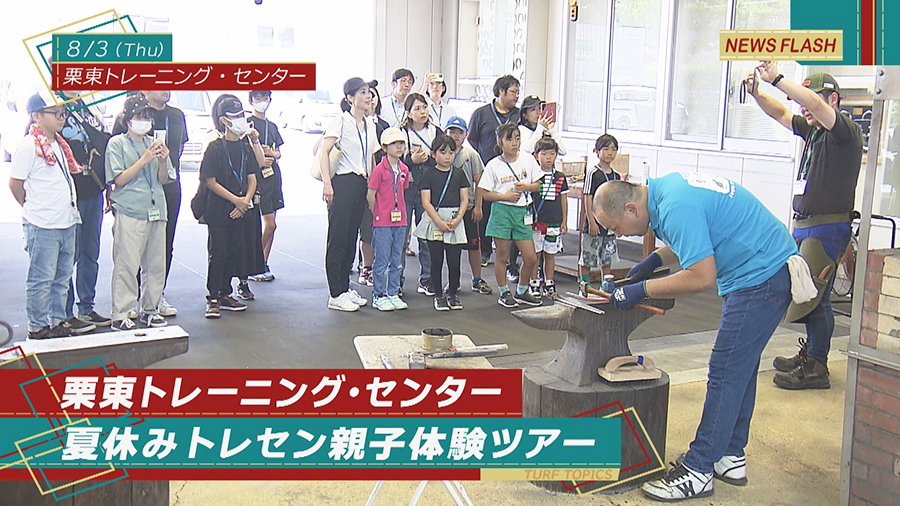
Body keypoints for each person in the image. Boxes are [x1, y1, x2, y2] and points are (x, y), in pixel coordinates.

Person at [592, 174, 805, 502]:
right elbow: (695, 236)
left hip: (761, 276)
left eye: (616, 227)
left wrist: (641, 289)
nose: (618, 234)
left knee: (725, 371)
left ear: (631, 208)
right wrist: (654, 260)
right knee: (740, 369)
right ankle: (730, 455)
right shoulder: (665, 192)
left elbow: (701, 277)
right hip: (765, 267)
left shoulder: (675, 206)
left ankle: (698, 470)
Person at [746, 63, 864, 390]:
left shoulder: (844, 132)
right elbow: (780, 113)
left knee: (816, 296)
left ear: (833, 100)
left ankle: (816, 366)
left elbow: (811, 104)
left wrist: (777, 79)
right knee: (807, 291)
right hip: (806, 225)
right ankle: (811, 355)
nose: (804, 107)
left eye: (812, 100)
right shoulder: (814, 132)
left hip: (827, 227)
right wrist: (757, 94)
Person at [9, 91, 82, 339]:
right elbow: (15, 184)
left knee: (62, 278)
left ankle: (57, 320)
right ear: (36, 116)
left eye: (63, 112)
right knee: (41, 279)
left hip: (66, 221)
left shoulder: (59, 144)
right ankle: (37, 326)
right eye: (55, 113)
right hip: (42, 224)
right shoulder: (29, 145)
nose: (61, 117)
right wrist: (32, 207)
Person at [105, 95, 174, 330]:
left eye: (147, 117)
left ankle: (150, 309)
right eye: (139, 117)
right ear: (127, 119)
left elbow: (163, 179)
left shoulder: (155, 143)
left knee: (156, 264)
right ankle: (121, 313)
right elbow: (119, 179)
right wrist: (144, 160)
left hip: (156, 209)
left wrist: (163, 160)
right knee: (127, 263)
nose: (144, 121)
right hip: (130, 210)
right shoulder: (117, 144)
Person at [199, 95, 266, 318]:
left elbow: (253, 177)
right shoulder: (215, 147)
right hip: (219, 209)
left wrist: (245, 201)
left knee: (233, 251)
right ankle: (213, 297)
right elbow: (210, 181)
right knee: (218, 252)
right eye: (235, 116)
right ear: (224, 121)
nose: (240, 120)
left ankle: (226, 293)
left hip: (241, 210)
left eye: (241, 115)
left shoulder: (245, 147)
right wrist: (235, 200)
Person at [321, 78, 379, 311]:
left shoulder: (370, 125)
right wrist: (327, 183)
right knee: (338, 238)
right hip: (343, 182)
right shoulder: (341, 121)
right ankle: (335, 294)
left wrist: (372, 188)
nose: (368, 96)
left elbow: (371, 158)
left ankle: (344, 288)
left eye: (369, 92)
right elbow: (324, 152)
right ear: (350, 98)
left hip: (361, 183)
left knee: (351, 238)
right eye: (362, 92)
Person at [59, 90, 112, 332]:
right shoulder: (52, 107)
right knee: (67, 256)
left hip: (94, 189)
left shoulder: (88, 105)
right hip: (68, 195)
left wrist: (107, 185)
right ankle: (65, 312)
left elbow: (101, 144)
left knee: (90, 252)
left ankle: (86, 307)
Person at [477, 123, 542, 308]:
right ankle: (504, 292)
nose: (514, 143)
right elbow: (485, 193)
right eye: (509, 139)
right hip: (501, 211)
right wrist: (504, 196)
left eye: (517, 138)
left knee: (530, 257)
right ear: (500, 142)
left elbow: (537, 185)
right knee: (502, 255)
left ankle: (521, 291)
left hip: (522, 211)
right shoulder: (493, 165)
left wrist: (526, 187)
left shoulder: (528, 159)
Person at [141, 90, 187, 317]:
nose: (165, 89)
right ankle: (133, 296)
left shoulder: (177, 115)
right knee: (137, 243)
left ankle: (157, 294)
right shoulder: (135, 114)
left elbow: (180, 148)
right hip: (140, 186)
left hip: (169, 184)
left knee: (165, 242)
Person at [468, 75, 521, 268]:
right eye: (513, 92)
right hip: (487, 169)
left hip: (512, 170)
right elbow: (472, 139)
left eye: (518, 92)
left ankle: (509, 257)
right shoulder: (481, 113)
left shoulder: (518, 115)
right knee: (485, 210)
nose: (516, 96)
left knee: (509, 209)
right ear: (501, 91)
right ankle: (485, 251)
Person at [414, 134, 469, 311]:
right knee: (436, 260)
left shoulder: (459, 173)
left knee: (454, 261)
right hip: (435, 219)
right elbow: (425, 202)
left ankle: (452, 294)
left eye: (451, 152)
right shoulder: (428, 174)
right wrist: (439, 221)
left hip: (454, 219)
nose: (447, 156)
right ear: (433, 154)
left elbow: (465, 199)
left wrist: (458, 218)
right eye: (443, 152)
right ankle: (438, 295)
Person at [400, 92, 443, 297]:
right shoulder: (401, 132)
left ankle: (427, 279)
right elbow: (394, 159)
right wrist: (411, 160)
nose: (422, 112)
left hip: (428, 188)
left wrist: (429, 159)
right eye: (417, 109)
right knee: (402, 235)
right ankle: (396, 280)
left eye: (424, 107)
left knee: (427, 235)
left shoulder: (435, 131)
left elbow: (444, 156)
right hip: (406, 188)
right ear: (408, 113)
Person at [445, 116, 492, 295]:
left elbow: (480, 182)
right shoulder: (442, 153)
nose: (455, 136)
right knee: (452, 246)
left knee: (474, 244)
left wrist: (478, 206)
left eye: (459, 132)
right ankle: (453, 281)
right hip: (449, 208)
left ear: (465, 134)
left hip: (469, 206)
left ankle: (477, 279)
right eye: (452, 132)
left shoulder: (471, 155)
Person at [367, 127, 410, 311]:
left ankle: (393, 292)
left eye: (401, 143)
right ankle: (378, 295)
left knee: (396, 259)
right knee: (381, 259)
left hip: (400, 220)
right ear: (384, 147)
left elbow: (403, 190)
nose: (399, 147)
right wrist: (377, 212)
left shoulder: (404, 169)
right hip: (383, 221)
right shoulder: (379, 170)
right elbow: (371, 194)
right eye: (394, 144)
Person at [246, 90, 284, 284]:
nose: (262, 102)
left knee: (272, 225)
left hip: (273, 177)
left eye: (265, 98)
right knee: (268, 224)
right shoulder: (248, 125)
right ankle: (253, 262)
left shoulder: (272, 126)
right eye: (258, 98)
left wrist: (272, 153)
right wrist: (260, 153)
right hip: (256, 178)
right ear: (251, 100)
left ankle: (263, 262)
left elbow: (279, 152)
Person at [579, 134, 621, 297]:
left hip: (609, 225)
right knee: (588, 257)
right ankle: (584, 287)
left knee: (607, 258)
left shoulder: (616, 176)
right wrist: (591, 221)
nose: (610, 153)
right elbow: (587, 197)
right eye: (606, 149)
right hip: (594, 222)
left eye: (613, 149)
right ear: (597, 151)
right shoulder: (593, 173)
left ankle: (606, 287)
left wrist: (616, 224)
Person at [531, 137, 569, 299]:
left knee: (550, 253)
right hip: (536, 222)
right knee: (535, 254)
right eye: (544, 154)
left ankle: (549, 282)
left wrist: (564, 221)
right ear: (536, 155)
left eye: (552, 154)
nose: (548, 157)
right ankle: (534, 282)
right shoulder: (533, 176)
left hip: (554, 221)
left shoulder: (560, 177)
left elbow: (564, 200)